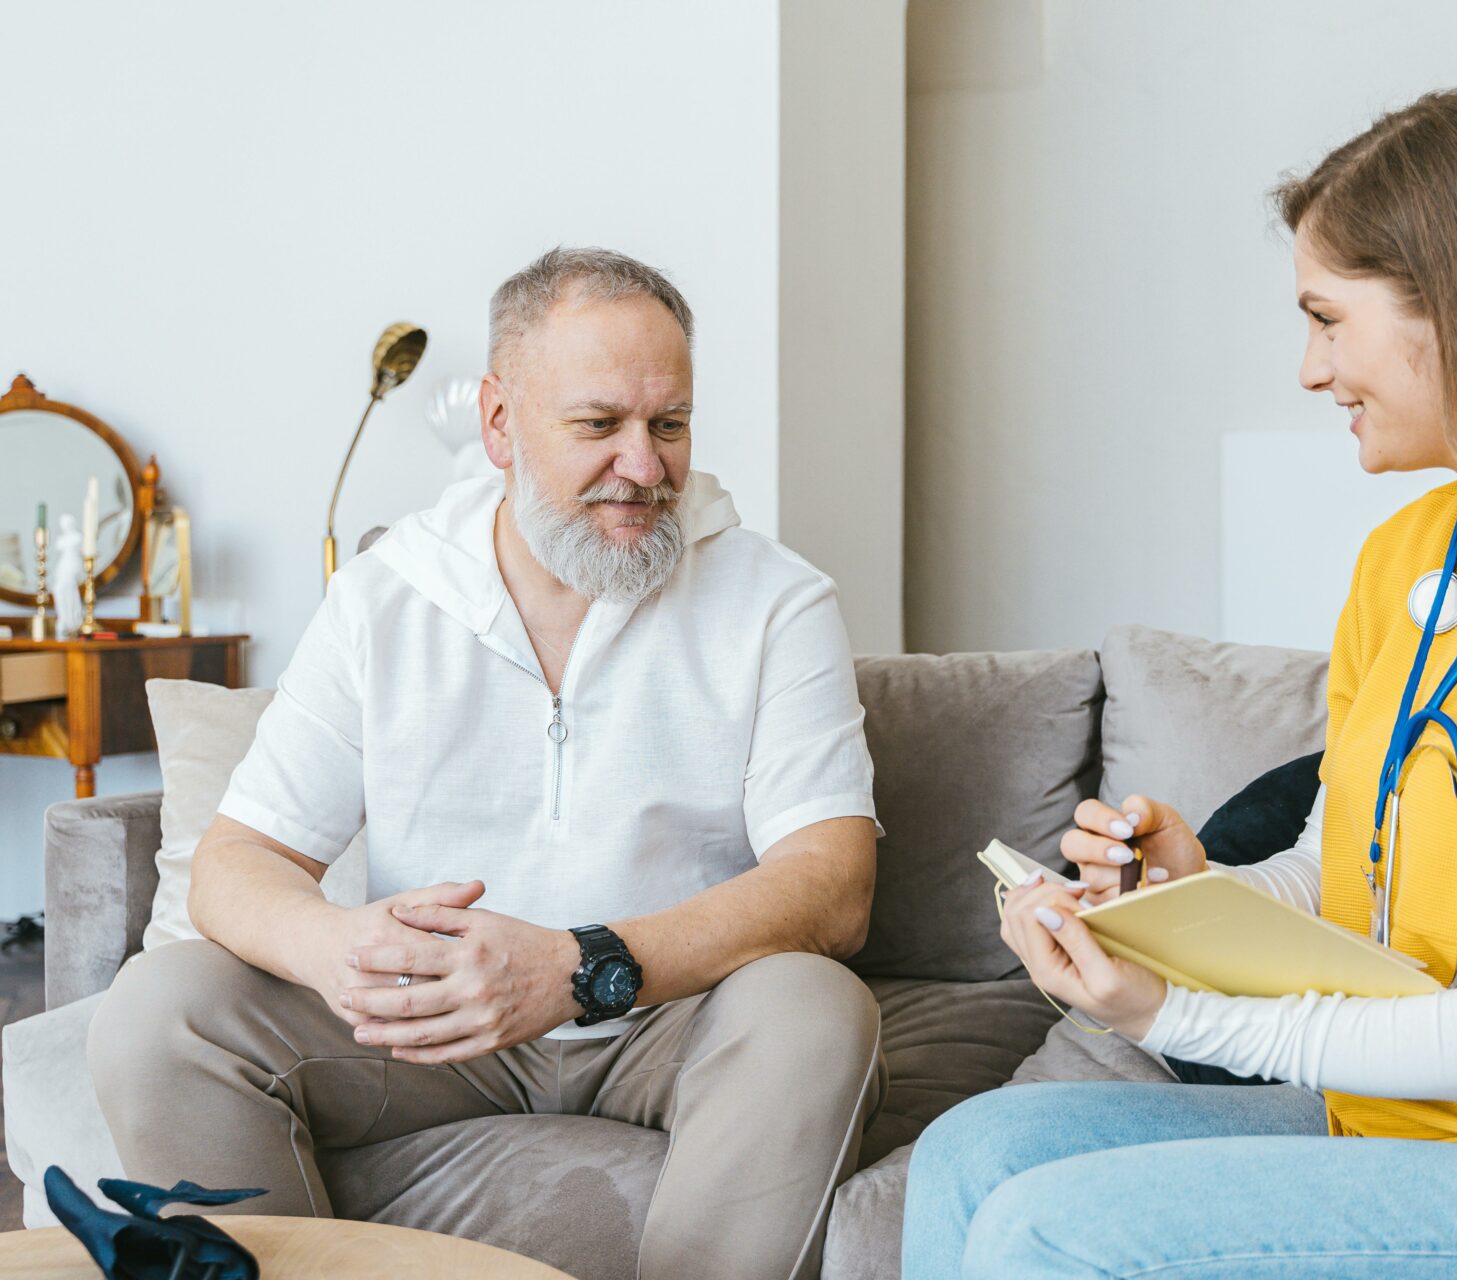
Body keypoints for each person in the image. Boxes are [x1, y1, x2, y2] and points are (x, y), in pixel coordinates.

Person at [902, 89, 1457, 1280]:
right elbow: (1345, 874)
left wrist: (1174, 1014)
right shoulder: (1407, 558)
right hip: (1411, 1128)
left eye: (1328, 320)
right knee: (977, 1152)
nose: (1310, 370)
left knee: (1056, 1231)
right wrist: (1185, 896)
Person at [90, 247, 886, 1280]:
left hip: (673, 1013)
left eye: (670, 424)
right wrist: (334, 946)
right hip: (430, 1024)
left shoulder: (777, 600)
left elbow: (832, 884)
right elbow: (238, 860)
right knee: (160, 1008)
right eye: (599, 425)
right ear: (501, 424)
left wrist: (576, 966)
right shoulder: (384, 596)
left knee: (815, 1008)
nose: (646, 466)